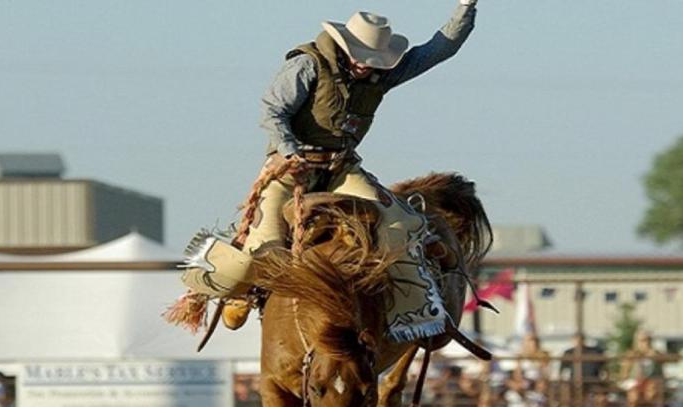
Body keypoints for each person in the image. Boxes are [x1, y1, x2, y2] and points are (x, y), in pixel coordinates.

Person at [181, 1, 480, 341]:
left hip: (341, 168)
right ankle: (243, 292)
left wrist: (465, 7)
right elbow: (272, 111)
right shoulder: (307, 65)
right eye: (359, 55)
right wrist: (290, 151)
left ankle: (409, 310)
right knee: (263, 245)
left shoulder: (382, 74)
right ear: (343, 45)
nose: (363, 64)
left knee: (402, 222)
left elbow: (441, 49)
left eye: (372, 59)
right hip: (290, 170)